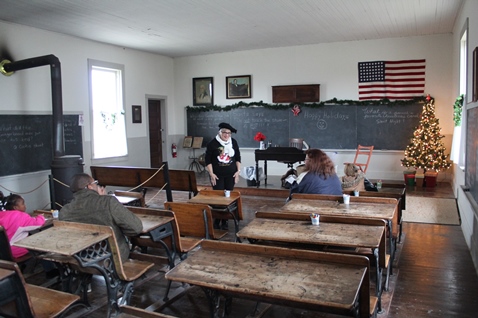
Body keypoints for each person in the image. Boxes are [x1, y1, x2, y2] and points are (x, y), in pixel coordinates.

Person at [60, 173, 143, 262]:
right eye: (95, 183)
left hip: (81, 259)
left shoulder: (64, 211)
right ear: (90, 186)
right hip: (112, 259)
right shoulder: (108, 202)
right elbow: (136, 228)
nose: (97, 185)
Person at [0, 193, 58, 277]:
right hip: (15, 250)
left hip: (3, 252)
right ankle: (50, 271)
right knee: (42, 245)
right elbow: (38, 224)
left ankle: (26, 266)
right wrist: (40, 216)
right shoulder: (20, 216)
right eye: (23, 203)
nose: (25, 206)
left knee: (31, 238)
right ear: (15, 207)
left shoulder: (2, 214)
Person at [205, 123, 241, 229]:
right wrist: (211, 174)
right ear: (219, 132)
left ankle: (225, 220)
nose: (226, 135)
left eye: (229, 133)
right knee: (218, 198)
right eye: (224, 132)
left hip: (231, 175)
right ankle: (217, 219)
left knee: (227, 198)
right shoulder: (212, 143)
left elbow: (238, 158)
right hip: (217, 175)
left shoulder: (233, 142)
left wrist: (238, 171)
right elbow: (208, 160)